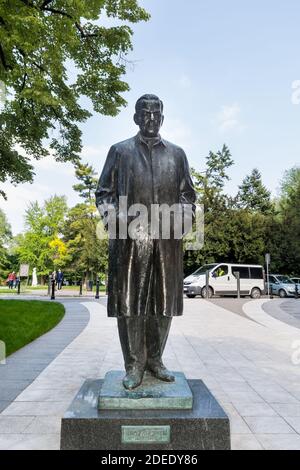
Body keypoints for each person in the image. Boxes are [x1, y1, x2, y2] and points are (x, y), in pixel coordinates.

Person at [96, 94, 196, 390]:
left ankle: (155, 359)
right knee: (131, 304)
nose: (151, 118)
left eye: (156, 114)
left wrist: (180, 222)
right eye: (145, 114)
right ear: (137, 118)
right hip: (130, 243)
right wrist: (119, 222)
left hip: (166, 242)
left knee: (163, 305)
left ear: (162, 118)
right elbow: (104, 194)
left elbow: (187, 196)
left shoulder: (177, 154)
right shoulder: (120, 151)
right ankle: (134, 365)